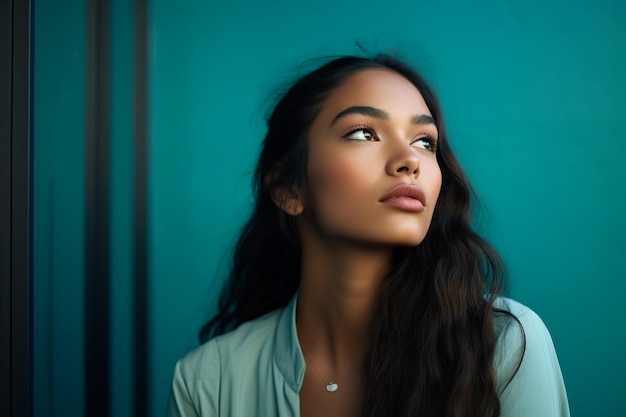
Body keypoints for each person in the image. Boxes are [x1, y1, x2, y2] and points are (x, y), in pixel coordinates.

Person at [168, 54, 570, 417]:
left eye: (424, 141)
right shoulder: (209, 381)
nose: (409, 160)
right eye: (363, 133)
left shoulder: (502, 346)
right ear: (289, 189)